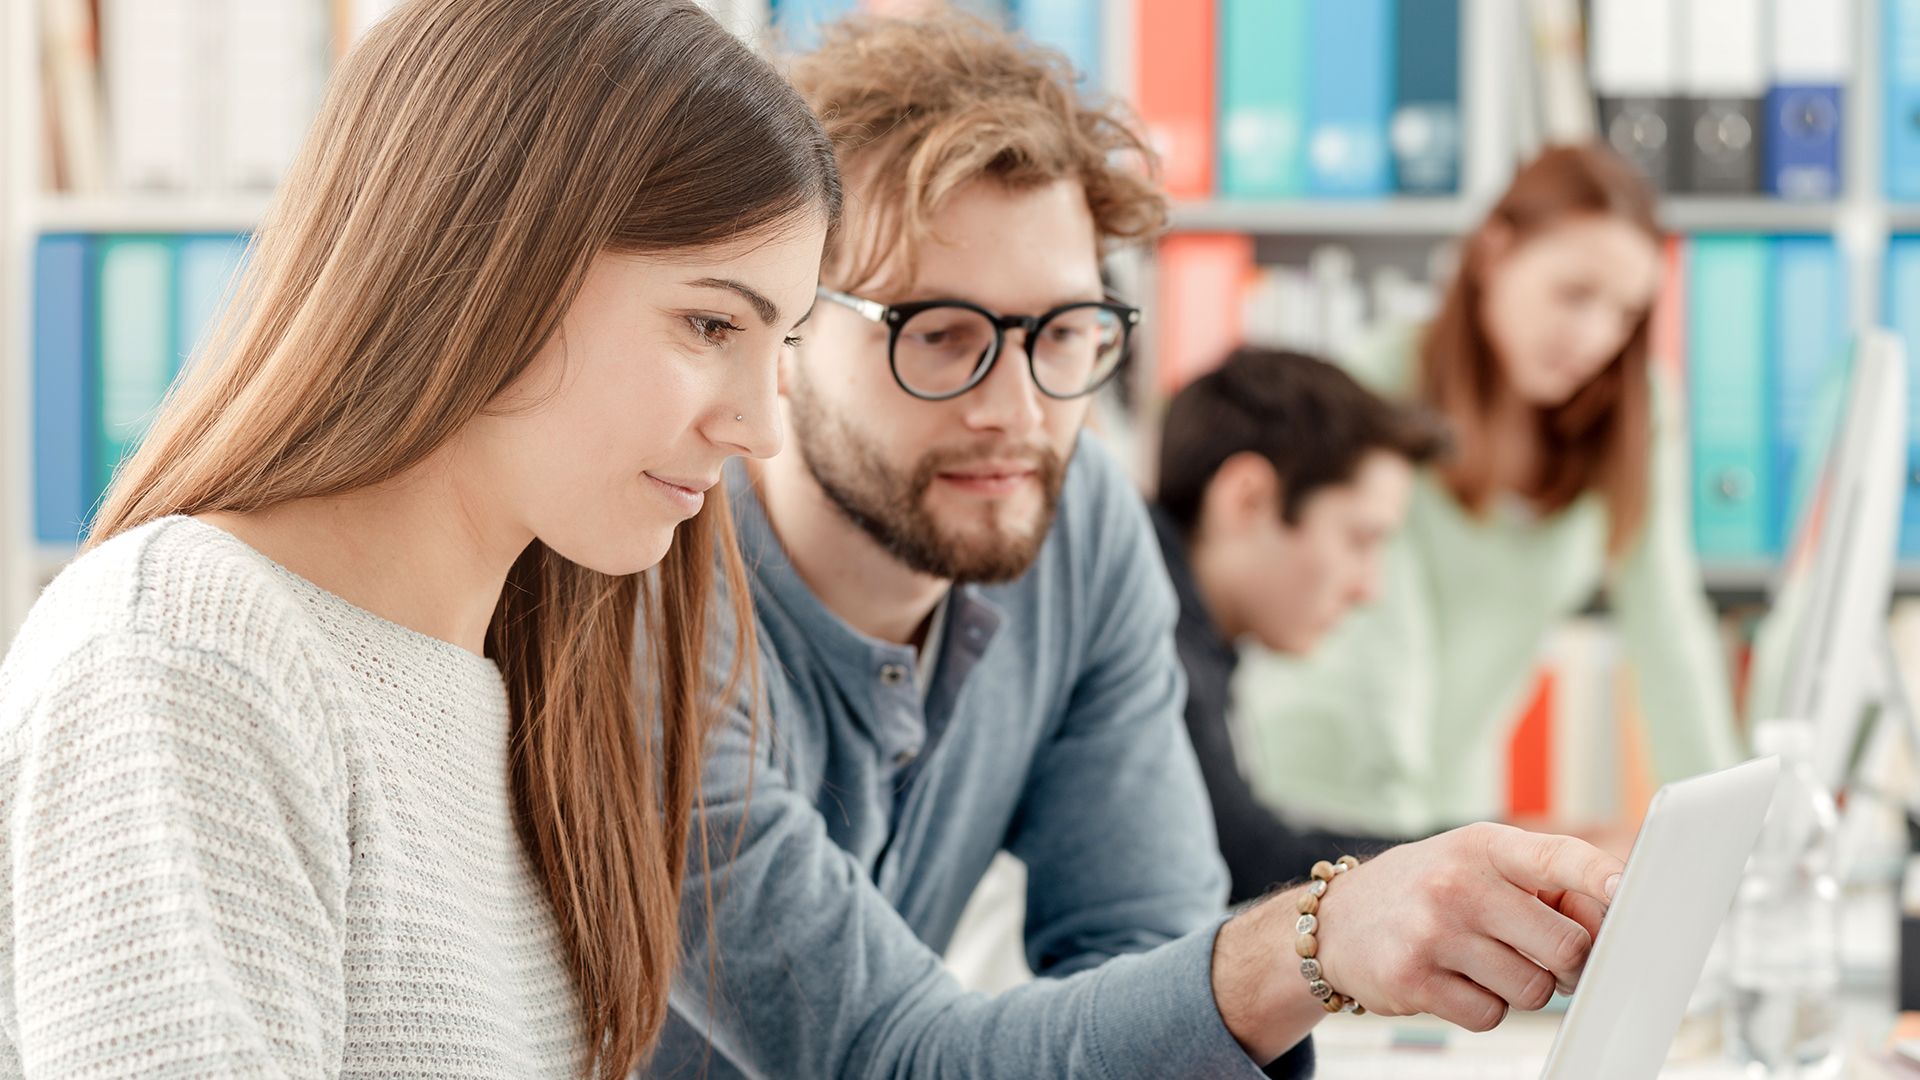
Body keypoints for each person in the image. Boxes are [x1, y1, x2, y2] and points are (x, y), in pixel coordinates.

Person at [650, 15, 1625, 1079]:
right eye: (940, 335)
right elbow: (887, 1058)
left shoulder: (1074, 521)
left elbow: (1150, 955)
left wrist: (1289, 959)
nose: (1017, 413)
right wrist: (1320, 936)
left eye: (1063, 333)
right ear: (783, 331)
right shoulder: (652, 603)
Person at [0, 1, 838, 1075]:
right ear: (493, 257)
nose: (761, 428)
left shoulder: (517, 693)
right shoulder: (190, 659)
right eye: (710, 324)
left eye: (785, 343)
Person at [1233, 144, 1742, 840]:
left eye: (1623, 314)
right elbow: (1381, 647)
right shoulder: (1380, 382)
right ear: (1494, 255)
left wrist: (1726, 834)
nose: (1593, 337)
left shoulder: (1639, 415)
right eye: (1574, 295)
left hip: (1453, 802)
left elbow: (1668, 622)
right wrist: (1411, 853)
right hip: (1328, 791)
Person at [1152, 347, 1449, 903]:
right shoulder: (1146, 640)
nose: (1369, 588)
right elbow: (1241, 859)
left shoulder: (1187, 629)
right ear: (1248, 498)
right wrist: (1494, 854)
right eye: (1360, 540)